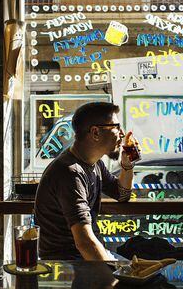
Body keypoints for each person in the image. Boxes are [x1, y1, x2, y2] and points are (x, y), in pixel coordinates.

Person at [35, 102, 134, 260]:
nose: (122, 133)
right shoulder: (70, 173)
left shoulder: (94, 163)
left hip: (85, 258)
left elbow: (122, 195)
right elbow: (85, 242)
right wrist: (116, 274)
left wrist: (127, 166)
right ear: (95, 132)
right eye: (116, 126)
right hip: (68, 264)